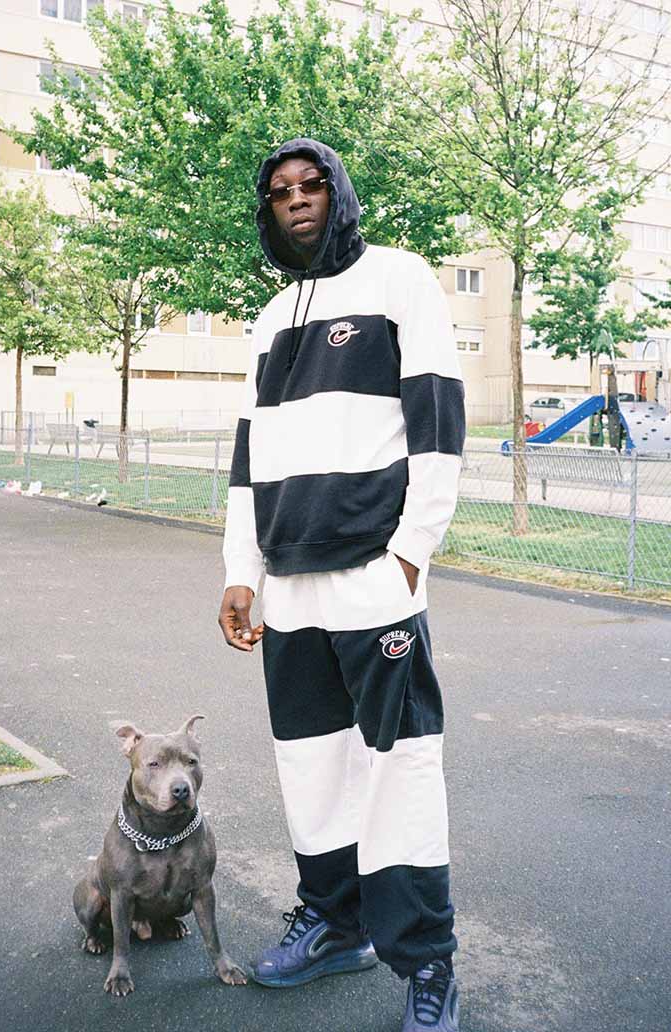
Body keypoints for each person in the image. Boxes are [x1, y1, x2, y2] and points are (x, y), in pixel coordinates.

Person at [218, 138, 465, 1032]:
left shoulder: (400, 279)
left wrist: (411, 554)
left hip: (373, 577)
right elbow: (250, 457)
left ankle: (427, 961)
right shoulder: (269, 318)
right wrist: (241, 572)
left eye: (311, 184)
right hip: (288, 585)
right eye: (279, 190)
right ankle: (334, 924)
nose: (295, 198)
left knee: (400, 769)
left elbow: (438, 423)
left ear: (339, 193)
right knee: (311, 767)